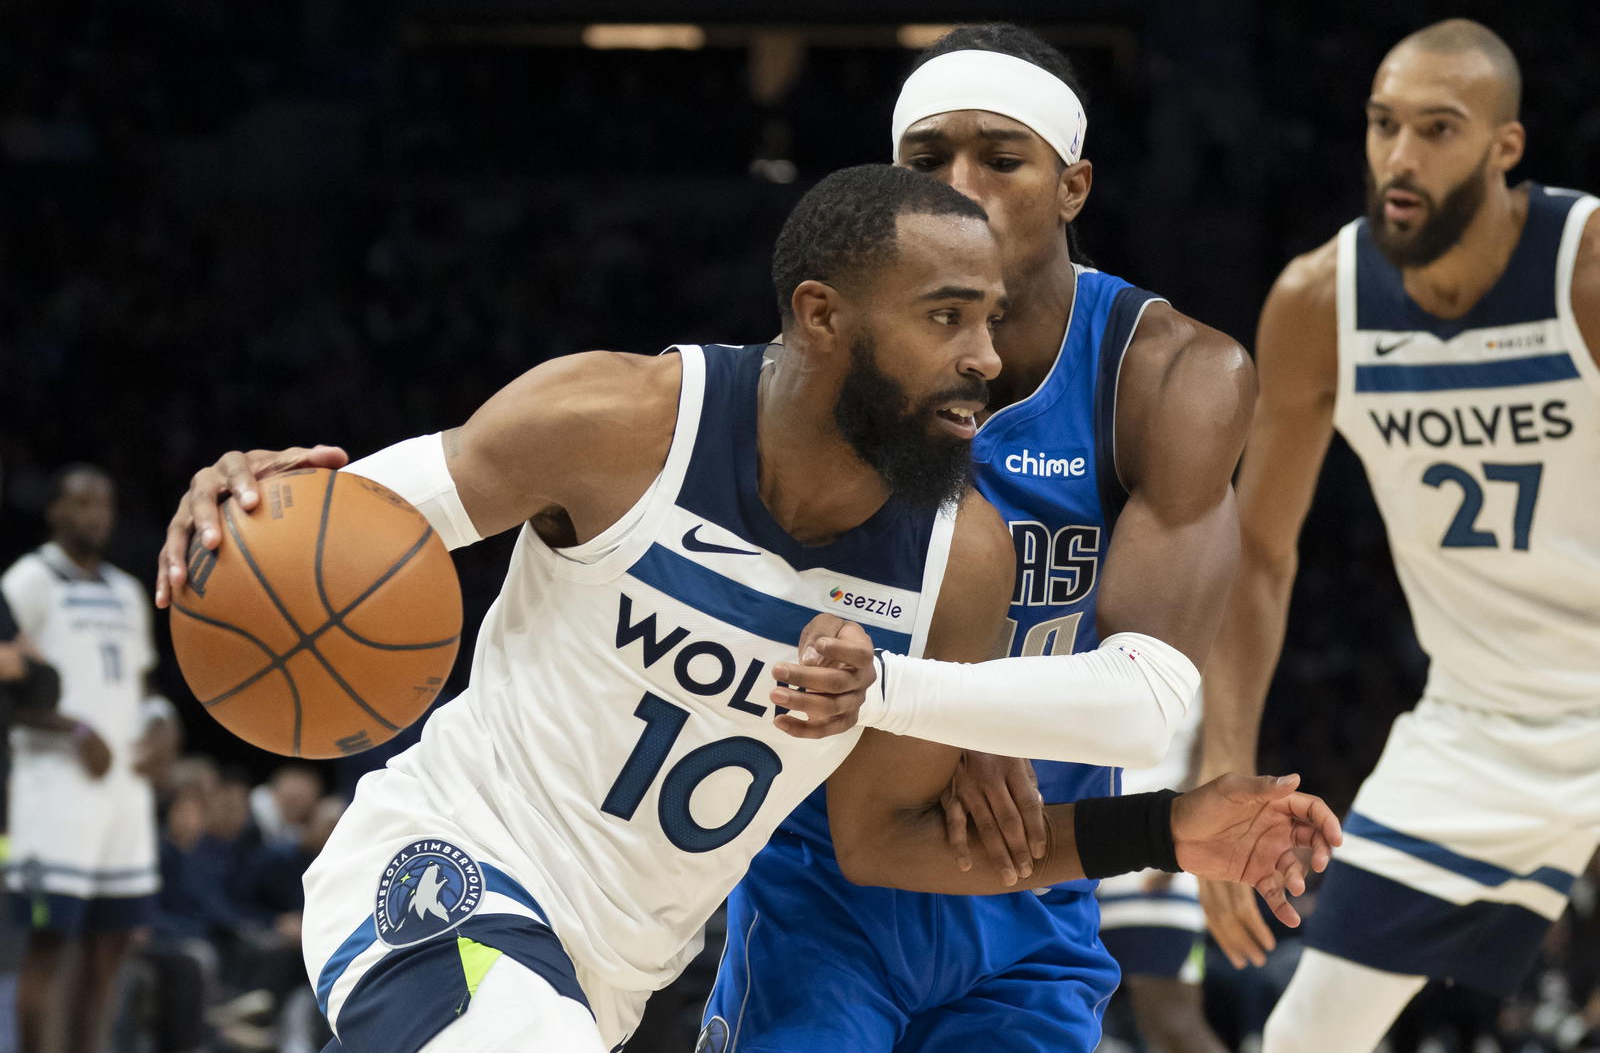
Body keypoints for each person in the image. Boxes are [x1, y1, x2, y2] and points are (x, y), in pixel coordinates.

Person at [155, 165, 1336, 1053]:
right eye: (944, 317)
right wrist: (238, 501)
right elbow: (334, 531)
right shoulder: (616, 423)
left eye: (988, 318)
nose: (984, 356)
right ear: (822, 316)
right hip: (450, 870)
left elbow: (894, 841)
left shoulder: (958, 562)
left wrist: (1162, 833)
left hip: (614, 977)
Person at [702, 25, 1248, 1053]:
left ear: (1073, 186)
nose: (960, 187)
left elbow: (1142, 705)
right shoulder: (831, 364)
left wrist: (966, 725)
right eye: (926, 162)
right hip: (825, 878)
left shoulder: (1169, 377)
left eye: (1000, 158)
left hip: (1030, 883)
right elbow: (758, 612)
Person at [1193, 19, 1600, 1053]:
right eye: (1383, 126)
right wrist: (1223, 765)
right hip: (1479, 726)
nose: (1399, 158)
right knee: (1302, 1039)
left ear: (1505, 147)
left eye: (1436, 129)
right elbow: (1259, 555)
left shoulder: (1585, 273)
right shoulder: (1319, 304)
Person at [2, 464, 181, 1053]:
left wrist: (161, 725)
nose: (94, 514)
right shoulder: (28, 579)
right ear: (53, 510)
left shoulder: (129, 592)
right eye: (79, 502)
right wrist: (71, 726)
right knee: (49, 947)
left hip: (123, 792)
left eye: (103, 503)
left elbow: (143, 686)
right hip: (54, 788)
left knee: (111, 951)